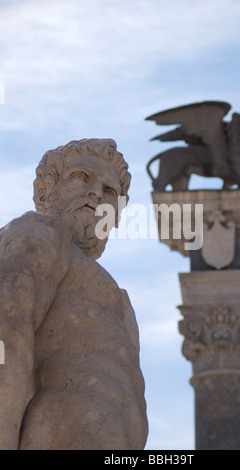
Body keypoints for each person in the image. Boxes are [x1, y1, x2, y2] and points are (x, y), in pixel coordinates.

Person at [0, 138, 148, 450]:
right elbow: (8, 331)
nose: (97, 192)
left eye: (110, 191)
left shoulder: (120, 299)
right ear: (45, 192)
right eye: (82, 177)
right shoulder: (39, 231)